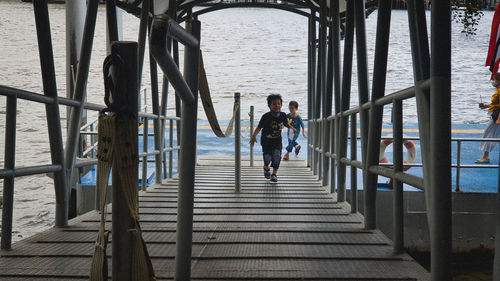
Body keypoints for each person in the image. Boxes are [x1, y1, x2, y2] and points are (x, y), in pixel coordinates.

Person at [250, 94, 295, 183]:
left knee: (277, 156)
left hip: (277, 140)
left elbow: (285, 123)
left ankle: (274, 174)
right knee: (267, 157)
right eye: (274, 104)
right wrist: (253, 136)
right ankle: (266, 167)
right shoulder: (265, 116)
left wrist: (292, 128)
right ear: (269, 106)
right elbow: (259, 127)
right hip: (266, 141)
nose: (276, 106)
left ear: (281, 105)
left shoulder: (283, 115)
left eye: (278, 103)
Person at [476, 72, 500, 163]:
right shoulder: (497, 91)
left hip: (497, 116)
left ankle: (486, 156)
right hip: (494, 114)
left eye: (495, 80)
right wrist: (486, 106)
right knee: (491, 134)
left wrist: (498, 119)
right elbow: (496, 104)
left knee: (489, 134)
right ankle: (486, 155)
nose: (493, 81)